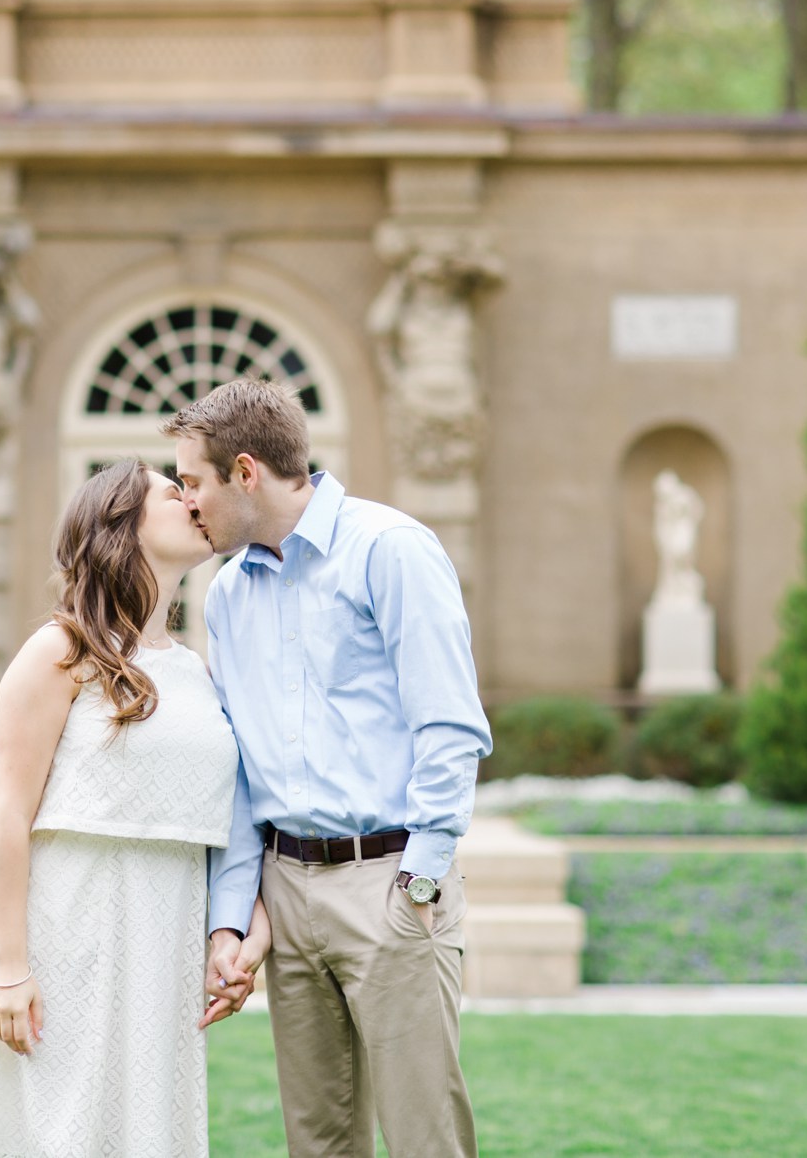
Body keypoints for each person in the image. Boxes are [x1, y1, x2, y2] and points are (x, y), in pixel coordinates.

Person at [166, 377, 493, 1158]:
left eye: (193, 482)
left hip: (390, 887)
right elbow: (241, 771)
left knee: (425, 1138)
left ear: (246, 472)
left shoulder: (391, 549)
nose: (186, 504)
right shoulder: (225, 596)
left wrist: (420, 878)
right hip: (287, 894)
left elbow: (450, 725)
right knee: (317, 1142)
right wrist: (230, 916)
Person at [0, 460, 270, 1158]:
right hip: (70, 938)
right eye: (172, 492)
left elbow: (229, 825)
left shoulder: (197, 672)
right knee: (59, 1128)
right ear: (121, 525)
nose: (192, 500)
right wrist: (7, 964)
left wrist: (239, 932)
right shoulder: (60, 652)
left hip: (166, 945)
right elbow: (7, 816)